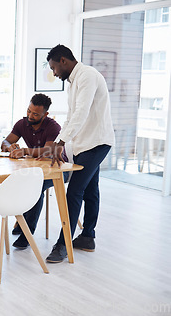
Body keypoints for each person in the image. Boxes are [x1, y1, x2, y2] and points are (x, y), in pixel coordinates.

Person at [44, 44, 115, 263]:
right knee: (90, 190)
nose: (54, 74)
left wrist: (61, 141)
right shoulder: (73, 82)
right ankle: (87, 237)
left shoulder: (88, 76)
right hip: (86, 143)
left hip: (98, 142)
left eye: (54, 68)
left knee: (74, 192)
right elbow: (71, 115)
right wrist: (59, 143)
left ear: (63, 61)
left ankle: (63, 244)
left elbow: (82, 112)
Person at [1, 93, 68, 249]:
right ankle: (21, 220)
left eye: (35, 114)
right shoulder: (22, 123)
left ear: (45, 114)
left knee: (35, 186)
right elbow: (5, 141)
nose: (30, 115)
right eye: (29, 111)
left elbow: (49, 151)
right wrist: (9, 146)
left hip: (58, 170)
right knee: (18, 182)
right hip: (34, 169)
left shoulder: (53, 127)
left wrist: (25, 151)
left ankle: (27, 233)